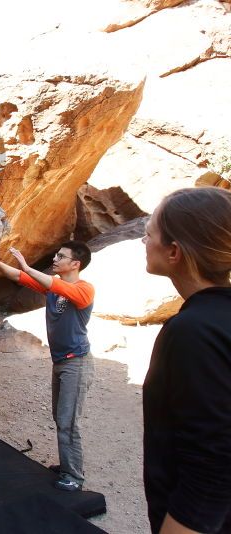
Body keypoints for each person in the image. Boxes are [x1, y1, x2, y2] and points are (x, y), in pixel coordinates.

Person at [141, 187, 231, 534]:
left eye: (149, 234)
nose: (143, 242)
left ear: (174, 251)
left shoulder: (194, 333)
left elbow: (213, 465)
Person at [0, 239, 95, 492]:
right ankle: (70, 465)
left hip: (77, 363)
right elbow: (19, 277)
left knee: (68, 420)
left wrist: (26, 264)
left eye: (61, 256)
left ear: (75, 264)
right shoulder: (54, 288)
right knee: (61, 417)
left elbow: (49, 281)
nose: (55, 259)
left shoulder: (84, 289)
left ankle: (74, 477)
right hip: (62, 362)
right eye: (56, 255)